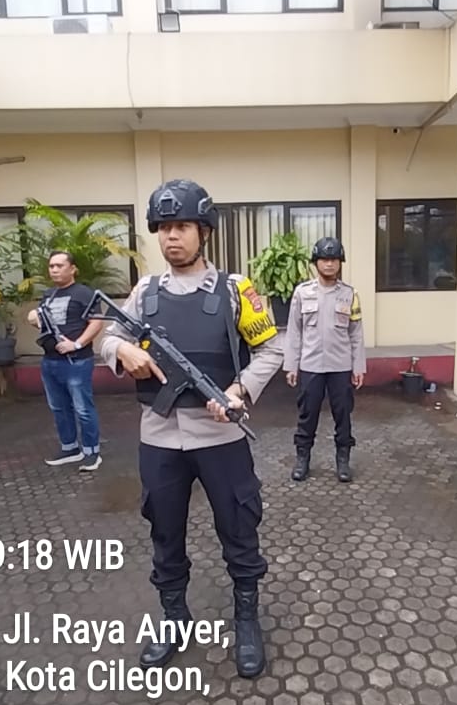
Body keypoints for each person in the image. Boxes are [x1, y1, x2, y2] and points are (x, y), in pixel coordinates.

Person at [97, 179, 282, 679]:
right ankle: (175, 619)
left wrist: (239, 391)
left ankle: (246, 619)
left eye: (181, 227)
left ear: (204, 232)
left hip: (221, 437)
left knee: (239, 527)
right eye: (163, 228)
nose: (171, 237)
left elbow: (271, 349)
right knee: (164, 530)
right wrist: (123, 350)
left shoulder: (235, 290)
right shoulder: (145, 291)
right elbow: (107, 338)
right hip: (159, 438)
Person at [282, 236, 366, 482]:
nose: (329, 264)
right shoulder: (302, 293)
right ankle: (302, 459)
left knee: (343, 415)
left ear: (340, 263)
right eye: (324, 259)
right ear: (316, 262)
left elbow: (356, 333)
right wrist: (291, 365)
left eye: (334, 260)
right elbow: (294, 331)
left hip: (341, 366)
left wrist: (358, 367)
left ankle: (343, 461)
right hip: (311, 366)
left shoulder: (350, 294)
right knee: (307, 415)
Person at [29, 251, 106, 471]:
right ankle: (70, 448)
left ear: (72, 269)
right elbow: (42, 320)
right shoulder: (49, 294)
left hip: (76, 361)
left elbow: (96, 322)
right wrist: (34, 318)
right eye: (51, 266)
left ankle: (92, 452)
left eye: (59, 265)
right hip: (50, 361)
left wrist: (77, 344)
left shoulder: (83, 293)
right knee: (59, 408)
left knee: (83, 409)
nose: (54, 270)